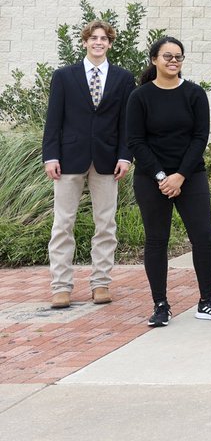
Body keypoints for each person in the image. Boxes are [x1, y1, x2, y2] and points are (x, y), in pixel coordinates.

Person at [125, 37, 211, 327]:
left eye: (178, 57)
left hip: (190, 176)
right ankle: (161, 305)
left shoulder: (194, 93)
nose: (173, 61)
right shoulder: (140, 96)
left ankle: (207, 301)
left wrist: (180, 176)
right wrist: (162, 177)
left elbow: (200, 137)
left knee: (203, 237)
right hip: (152, 179)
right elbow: (135, 141)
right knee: (156, 240)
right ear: (154, 60)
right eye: (167, 56)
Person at [42, 19, 135, 309]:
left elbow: (127, 122)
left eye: (104, 38)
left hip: (108, 159)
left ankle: (101, 283)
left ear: (110, 44)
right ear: (85, 42)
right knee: (63, 223)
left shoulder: (123, 78)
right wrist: (51, 156)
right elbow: (53, 119)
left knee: (106, 223)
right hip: (68, 158)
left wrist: (125, 155)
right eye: (93, 37)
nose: (98, 42)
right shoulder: (64, 76)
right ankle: (60, 287)